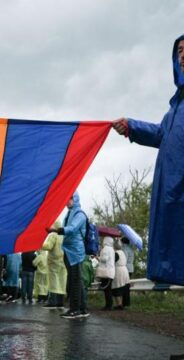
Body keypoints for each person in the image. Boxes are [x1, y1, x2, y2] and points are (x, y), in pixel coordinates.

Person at [112, 34, 184, 287]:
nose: (183, 55)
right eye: (180, 52)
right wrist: (130, 126)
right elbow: (161, 134)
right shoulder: (174, 108)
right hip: (170, 183)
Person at [47, 193, 88, 319]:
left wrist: (56, 230)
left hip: (76, 252)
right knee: (75, 280)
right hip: (69, 250)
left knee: (75, 281)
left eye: (69, 198)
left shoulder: (79, 214)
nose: (67, 201)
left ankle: (75, 309)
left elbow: (72, 228)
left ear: (75, 199)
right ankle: (82, 309)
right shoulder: (70, 213)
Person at [42, 221, 67, 309]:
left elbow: (48, 246)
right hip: (63, 262)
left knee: (53, 282)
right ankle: (60, 303)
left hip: (54, 262)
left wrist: (40, 244)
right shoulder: (63, 236)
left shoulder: (53, 235)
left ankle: (52, 302)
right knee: (61, 282)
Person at [96, 237, 115, 310]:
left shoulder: (105, 249)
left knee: (106, 290)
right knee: (108, 289)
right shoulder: (112, 249)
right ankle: (109, 305)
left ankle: (108, 306)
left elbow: (104, 259)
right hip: (110, 271)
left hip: (105, 271)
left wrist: (98, 257)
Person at [111, 240, 130, 310]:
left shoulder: (116, 253)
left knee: (117, 287)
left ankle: (119, 304)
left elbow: (111, 262)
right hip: (125, 270)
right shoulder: (122, 252)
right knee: (123, 287)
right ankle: (122, 304)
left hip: (118, 271)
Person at [121, 237, 134, 307]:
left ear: (123, 242)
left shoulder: (125, 249)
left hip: (126, 269)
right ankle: (127, 302)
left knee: (124, 286)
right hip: (131, 268)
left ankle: (125, 303)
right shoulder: (131, 249)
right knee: (127, 286)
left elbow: (124, 259)